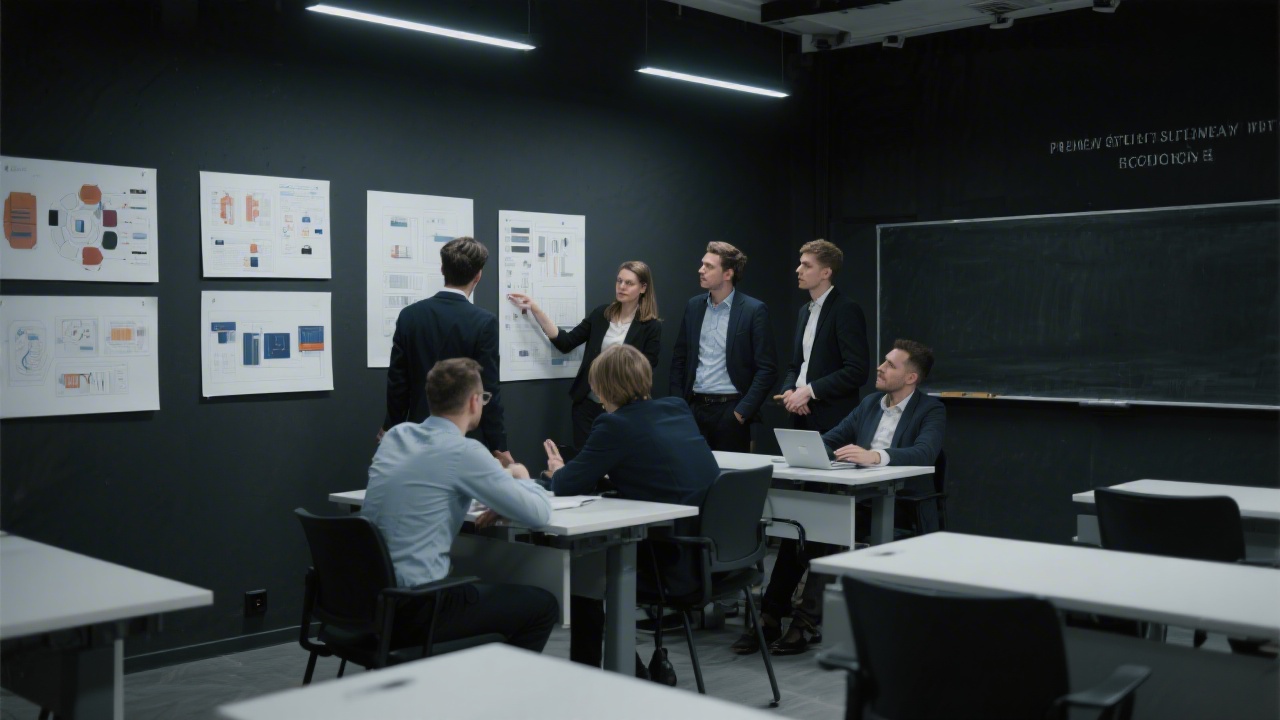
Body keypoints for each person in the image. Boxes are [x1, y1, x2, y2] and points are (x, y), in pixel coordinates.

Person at [735, 339, 946, 657]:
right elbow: (834, 437)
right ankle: (769, 616)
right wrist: (810, 448)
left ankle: (806, 623)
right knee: (801, 529)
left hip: (901, 504)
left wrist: (876, 456)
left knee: (831, 527)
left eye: (890, 364)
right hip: (859, 498)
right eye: (883, 361)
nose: (881, 367)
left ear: (911, 377)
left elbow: (925, 452)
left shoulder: (931, 409)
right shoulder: (870, 403)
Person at [363, 358, 558, 653]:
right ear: (473, 402)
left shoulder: (396, 436)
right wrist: (521, 475)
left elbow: (433, 483)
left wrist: (501, 490)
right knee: (542, 607)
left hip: (370, 602)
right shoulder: (463, 451)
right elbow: (539, 514)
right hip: (418, 609)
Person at [543, 344, 718, 671]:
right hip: (711, 555)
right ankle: (629, 670)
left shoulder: (614, 425)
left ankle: (592, 676)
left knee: (586, 578)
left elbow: (566, 486)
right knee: (591, 575)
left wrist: (558, 471)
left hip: (670, 562)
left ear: (601, 387)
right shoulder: (677, 408)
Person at [754, 240, 870, 656]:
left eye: (806, 266)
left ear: (827, 272)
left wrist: (811, 391)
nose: (798, 271)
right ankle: (772, 613)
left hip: (831, 426)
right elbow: (796, 364)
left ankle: (804, 619)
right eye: (799, 264)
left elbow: (856, 370)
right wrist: (789, 388)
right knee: (794, 521)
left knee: (820, 527)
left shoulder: (846, 310)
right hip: (800, 421)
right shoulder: (805, 311)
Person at [382, 236, 511, 465]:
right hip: (466, 438)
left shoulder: (410, 316)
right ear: (478, 275)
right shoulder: (484, 322)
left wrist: (391, 428)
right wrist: (498, 444)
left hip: (419, 433)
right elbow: (489, 387)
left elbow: (397, 382)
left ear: (443, 269)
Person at [507, 260, 661, 450]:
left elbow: (647, 368)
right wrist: (535, 309)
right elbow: (566, 342)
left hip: (623, 409)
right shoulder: (601, 314)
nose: (621, 287)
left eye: (629, 283)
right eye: (619, 281)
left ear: (643, 287)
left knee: (616, 467)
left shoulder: (650, 326)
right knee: (585, 462)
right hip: (587, 406)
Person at [669, 241, 777, 452]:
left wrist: (742, 411)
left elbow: (767, 368)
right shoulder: (694, 306)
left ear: (728, 274)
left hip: (731, 410)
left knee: (730, 480)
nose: (701, 270)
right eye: (702, 264)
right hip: (694, 408)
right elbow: (679, 359)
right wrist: (679, 406)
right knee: (692, 477)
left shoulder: (753, 310)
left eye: (709, 266)